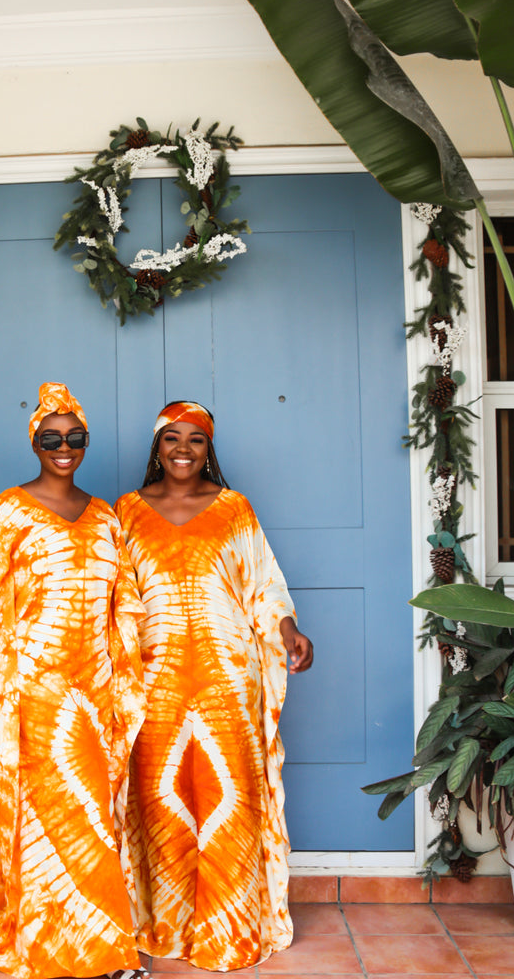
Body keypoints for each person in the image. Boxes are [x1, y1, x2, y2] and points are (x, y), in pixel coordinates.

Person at [0, 382, 148, 979]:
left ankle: (103, 949)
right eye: (51, 438)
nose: (63, 446)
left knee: (93, 821)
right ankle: (60, 947)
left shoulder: (105, 516)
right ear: (35, 442)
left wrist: (130, 676)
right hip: (35, 691)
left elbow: (125, 605)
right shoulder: (7, 510)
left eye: (73, 437)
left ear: (86, 442)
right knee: (49, 820)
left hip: (97, 691)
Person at [113, 400, 314, 971]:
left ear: (209, 449)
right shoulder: (124, 512)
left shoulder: (234, 509)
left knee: (230, 800)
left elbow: (264, 586)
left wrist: (290, 630)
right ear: (157, 447)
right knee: (159, 801)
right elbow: (107, 594)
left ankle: (229, 928)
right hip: (154, 682)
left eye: (195, 439)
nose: (183, 449)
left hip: (229, 677)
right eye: (171, 438)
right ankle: (165, 925)